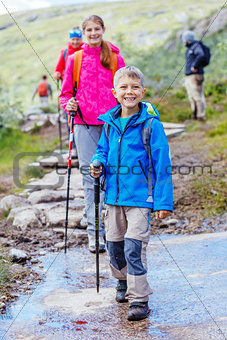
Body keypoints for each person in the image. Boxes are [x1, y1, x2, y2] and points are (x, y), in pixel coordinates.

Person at [90, 66, 173, 321]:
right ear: (114, 92)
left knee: (134, 248)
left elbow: (162, 165)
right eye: (124, 87)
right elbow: (102, 150)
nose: (129, 92)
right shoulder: (109, 125)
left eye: (134, 87)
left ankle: (139, 300)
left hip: (140, 199)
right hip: (113, 197)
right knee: (114, 246)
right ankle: (123, 282)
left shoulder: (150, 125)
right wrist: (97, 162)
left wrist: (163, 202)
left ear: (143, 91)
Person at [59, 15, 125, 253]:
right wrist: (69, 105)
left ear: (103, 30)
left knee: (113, 175)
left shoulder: (116, 58)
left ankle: (113, 233)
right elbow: (65, 94)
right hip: (83, 124)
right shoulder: (75, 59)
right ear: (84, 33)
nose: (93, 33)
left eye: (97, 29)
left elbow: (125, 91)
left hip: (112, 125)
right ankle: (95, 235)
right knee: (91, 177)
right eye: (89, 30)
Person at [53, 27, 83, 154]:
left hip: (83, 89)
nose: (75, 42)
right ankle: (75, 147)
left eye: (77, 39)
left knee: (83, 117)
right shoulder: (65, 52)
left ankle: (83, 145)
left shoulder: (85, 50)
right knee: (70, 116)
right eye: (73, 39)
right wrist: (57, 74)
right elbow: (58, 68)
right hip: (69, 89)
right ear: (70, 39)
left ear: (81, 39)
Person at [182, 30, 206, 121]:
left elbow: (201, 55)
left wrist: (194, 66)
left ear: (187, 40)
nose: (183, 42)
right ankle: (195, 116)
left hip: (195, 76)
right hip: (190, 76)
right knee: (192, 96)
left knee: (197, 96)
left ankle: (201, 117)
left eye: (184, 40)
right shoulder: (191, 47)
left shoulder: (196, 46)